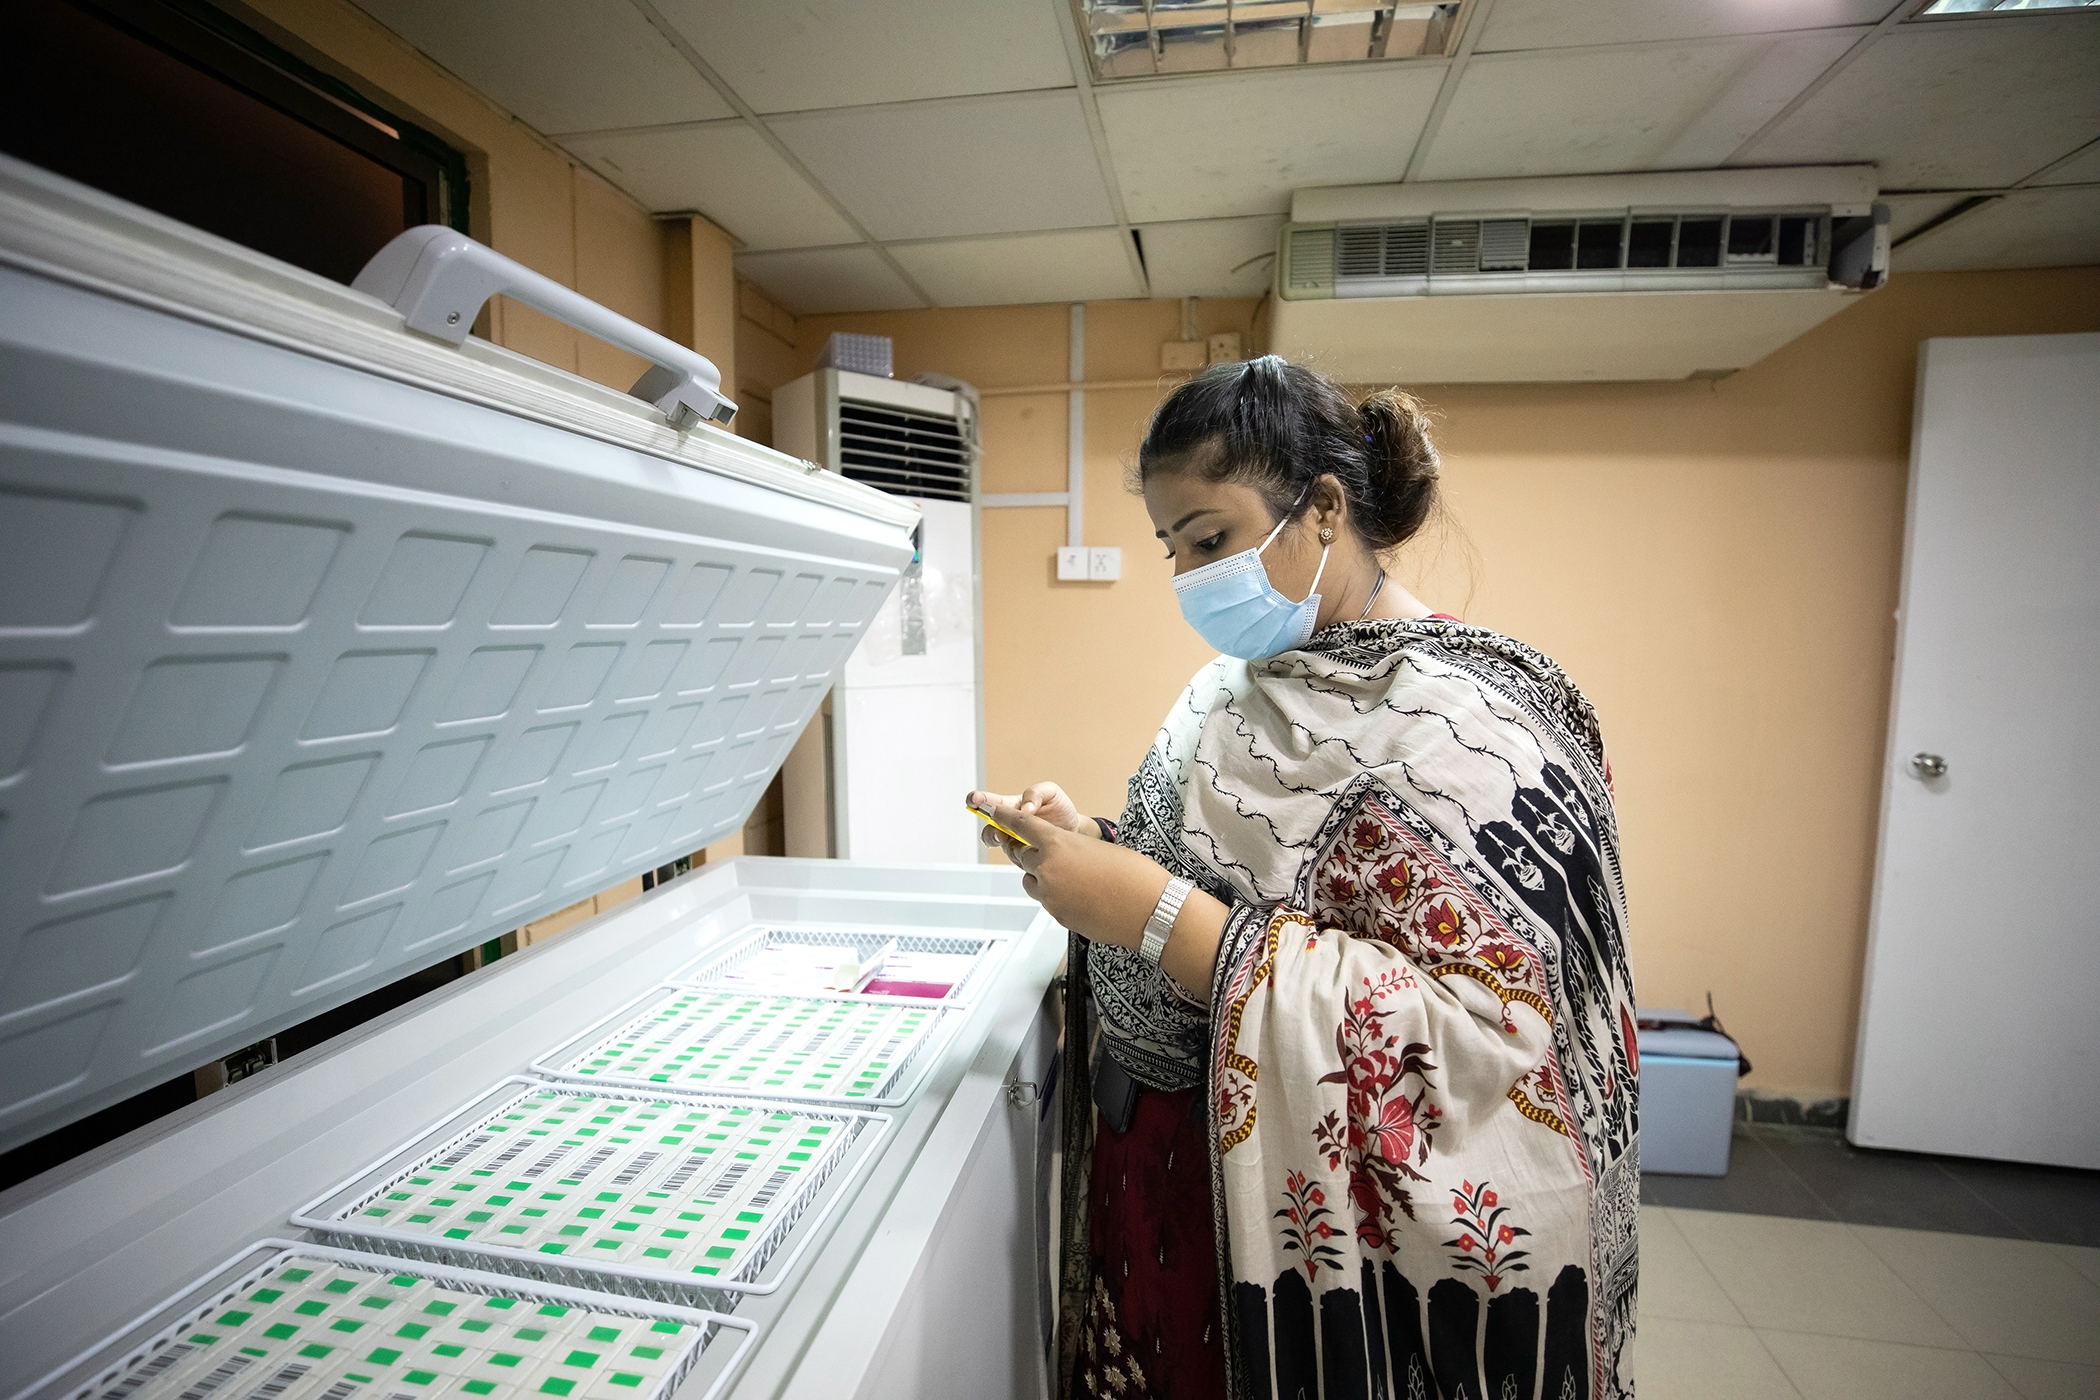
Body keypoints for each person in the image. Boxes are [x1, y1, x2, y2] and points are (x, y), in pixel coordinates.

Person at [970, 356, 1639, 1400]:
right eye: (1174, 549)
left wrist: (1148, 911)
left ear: (1323, 507)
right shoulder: (1229, 691)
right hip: (1165, 1185)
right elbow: (1197, 866)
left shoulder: (1480, 729)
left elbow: (1495, 1041)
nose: (1191, 576)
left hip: (1315, 1238)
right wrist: (1089, 847)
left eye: (1212, 538)